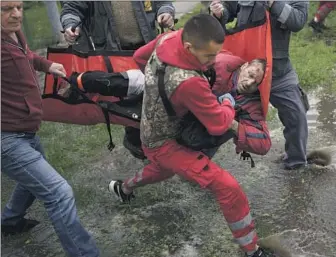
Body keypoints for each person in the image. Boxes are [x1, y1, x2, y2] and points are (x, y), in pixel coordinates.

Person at [108, 14, 278, 257]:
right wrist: (229, 103)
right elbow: (219, 124)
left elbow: (138, 58)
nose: (212, 62)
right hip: (166, 142)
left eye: (216, 55)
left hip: (150, 127)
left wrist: (159, 87)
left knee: (162, 169)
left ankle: (122, 189)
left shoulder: (168, 38)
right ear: (189, 47)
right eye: (209, 57)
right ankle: (253, 251)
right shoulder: (190, 82)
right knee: (228, 187)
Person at [1, 2, 99, 256]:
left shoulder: (13, 32)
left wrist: (46, 65)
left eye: (19, 7)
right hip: (6, 137)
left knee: (32, 177)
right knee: (58, 193)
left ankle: (10, 221)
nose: (16, 14)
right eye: (5, 8)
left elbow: (26, 54)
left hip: (25, 130)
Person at [60, 1, 176, 160]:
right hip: (115, 53)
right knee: (130, 100)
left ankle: (161, 141)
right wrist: (70, 24)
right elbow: (72, 7)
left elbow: (163, 3)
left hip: (147, 46)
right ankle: (135, 141)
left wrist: (166, 11)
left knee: (158, 95)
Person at [210, 0, 310, 170]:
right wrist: (219, 12)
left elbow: (298, 21)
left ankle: (296, 164)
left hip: (279, 71)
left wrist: (273, 3)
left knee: (297, 116)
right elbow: (229, 8)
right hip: (246, 71)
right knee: (222, 114)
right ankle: (197, 159)